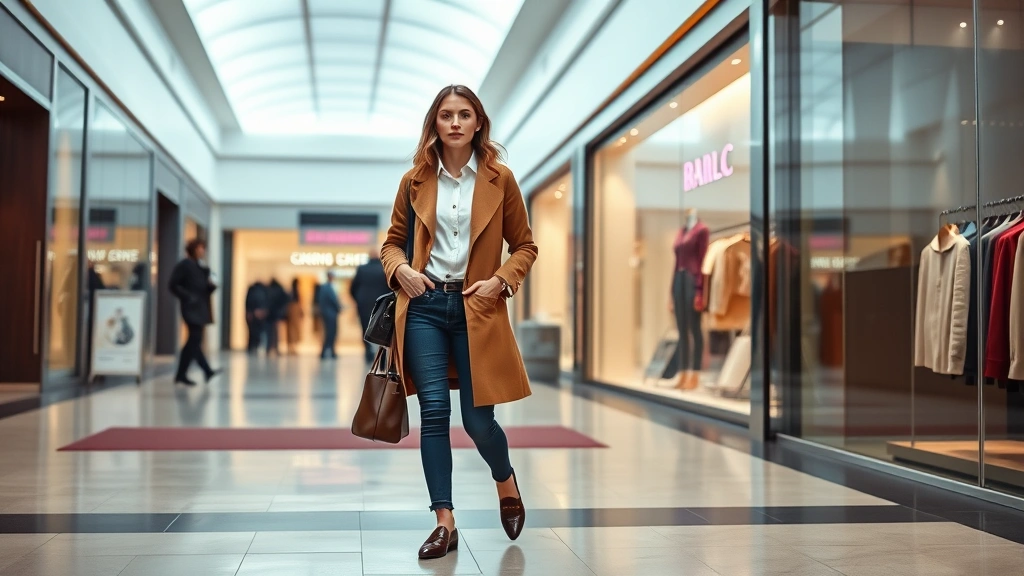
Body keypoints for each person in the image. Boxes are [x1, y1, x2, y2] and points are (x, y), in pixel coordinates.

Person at [380, 85, 538, 559]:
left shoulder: (499, 179)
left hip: (477, 309)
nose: (454, 122)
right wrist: (401, 270)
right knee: (433, 415)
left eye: (463, 114)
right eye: (446, 115)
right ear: (435, 123)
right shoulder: (414, 181)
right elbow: (391, 243)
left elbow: (525, 246)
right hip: (425, 306)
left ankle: (505, 480)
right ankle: (444, 523)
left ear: (477, 123)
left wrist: (501, 283)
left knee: (477, 420)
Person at [169, 238, 221, 386]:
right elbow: (173, 285)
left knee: (194, 341)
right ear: (193, 249)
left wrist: (211, 285)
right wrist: (188, 297)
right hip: (191, 308)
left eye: (203, 248)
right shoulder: (184, 265)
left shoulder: (201, 267)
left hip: (201, 308)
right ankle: (202, 371)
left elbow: (205, 290)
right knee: (194, 339)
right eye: (199, 248)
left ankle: (186, 373)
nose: (202, 251)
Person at [350, 246, 390, 364]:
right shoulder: (384, 268)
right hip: (381, 304)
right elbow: (389, 287)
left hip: (363, 303)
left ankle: (368, 351)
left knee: (365, 327)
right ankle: (381, 355)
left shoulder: (362, 269)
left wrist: (357, 299)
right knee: (381, 328)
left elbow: (353, 288)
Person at [316, 271, 342, 359]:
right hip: (329, 314)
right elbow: (329, 301)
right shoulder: (325, 288)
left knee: (332, 333)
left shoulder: (329, 287)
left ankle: (330, 351)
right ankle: (326, 351)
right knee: (330, 333)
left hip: (331, 313)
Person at [245, 280, 269, 354]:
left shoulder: (253, 291)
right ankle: (254, 346)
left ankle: (253, 347)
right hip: (257, 314)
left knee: (254, 332)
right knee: (257, 332)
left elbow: (248, 302)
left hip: (255, 313)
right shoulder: (262, 291)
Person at [266, 278, 288, 356]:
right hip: (276, 315)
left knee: (270, 333)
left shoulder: (269, 291)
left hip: (270, 315)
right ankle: (275, 348)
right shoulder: (279, 291)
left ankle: (269, 348)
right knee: (276, 333)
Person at [285, 278, 304, 355]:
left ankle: (293, 347)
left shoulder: (294, 293)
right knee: (291, 330)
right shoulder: (292, 293)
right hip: (292, 313)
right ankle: (291, 347)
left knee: (294, 330)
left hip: (294, 314)